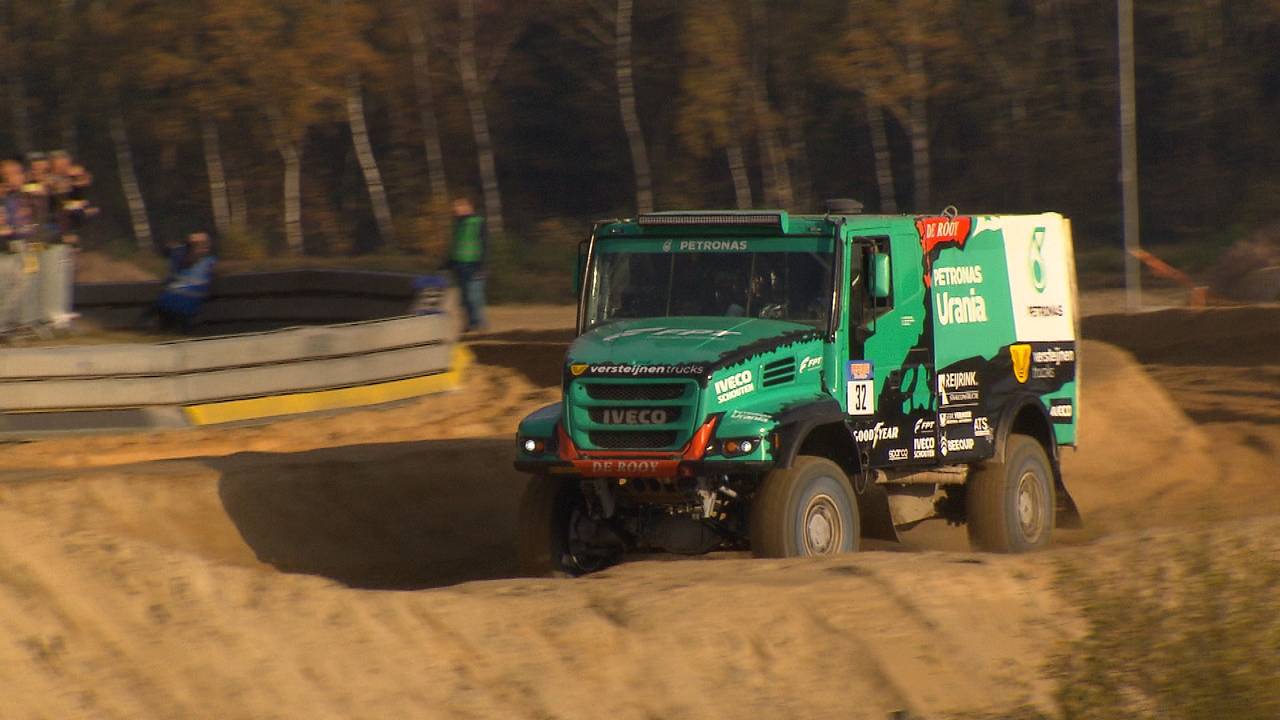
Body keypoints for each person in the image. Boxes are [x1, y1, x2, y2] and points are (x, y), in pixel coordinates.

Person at [155, 232, 217, 331]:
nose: (204, 248)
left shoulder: (208, 262)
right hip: (171, 307)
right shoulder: (180, 258)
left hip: (184, 311)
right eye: (198, 245)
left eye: (205, 245)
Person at [446, 197, 488, 332]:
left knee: (474, 295)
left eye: (458, 207)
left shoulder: (478, 222)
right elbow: (457, 245)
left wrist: (483, 264)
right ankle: (470, 324)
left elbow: (486, 243)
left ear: (468, 207)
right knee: (464, 297)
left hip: (474, 264)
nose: (455, 210)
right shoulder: (459, 224)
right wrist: (449, 263)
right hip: (460, 264)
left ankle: (479, 324)